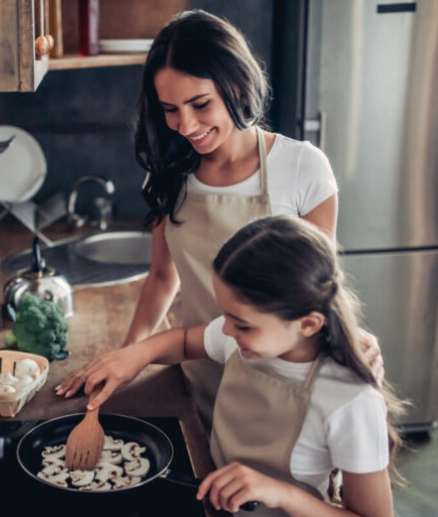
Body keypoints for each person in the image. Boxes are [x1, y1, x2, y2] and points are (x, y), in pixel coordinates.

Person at [55, 9, 384, 424]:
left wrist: (354, 345)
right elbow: (161, 277)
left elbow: (320, 290)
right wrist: (130, 355)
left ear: (235, 84)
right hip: (201, 378)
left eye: (200, 103)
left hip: (285, 391)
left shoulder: (303, 167)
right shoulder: (169, 173)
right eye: (169, 109)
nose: (185, 125)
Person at [65, 216, 403, 517]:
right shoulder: (242, 340)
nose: (225, 330)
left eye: (242, 324)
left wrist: (281, 493)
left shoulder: (350, 402)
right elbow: (183, 341)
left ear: (308, 325)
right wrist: (135, 355)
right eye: (225, 316)